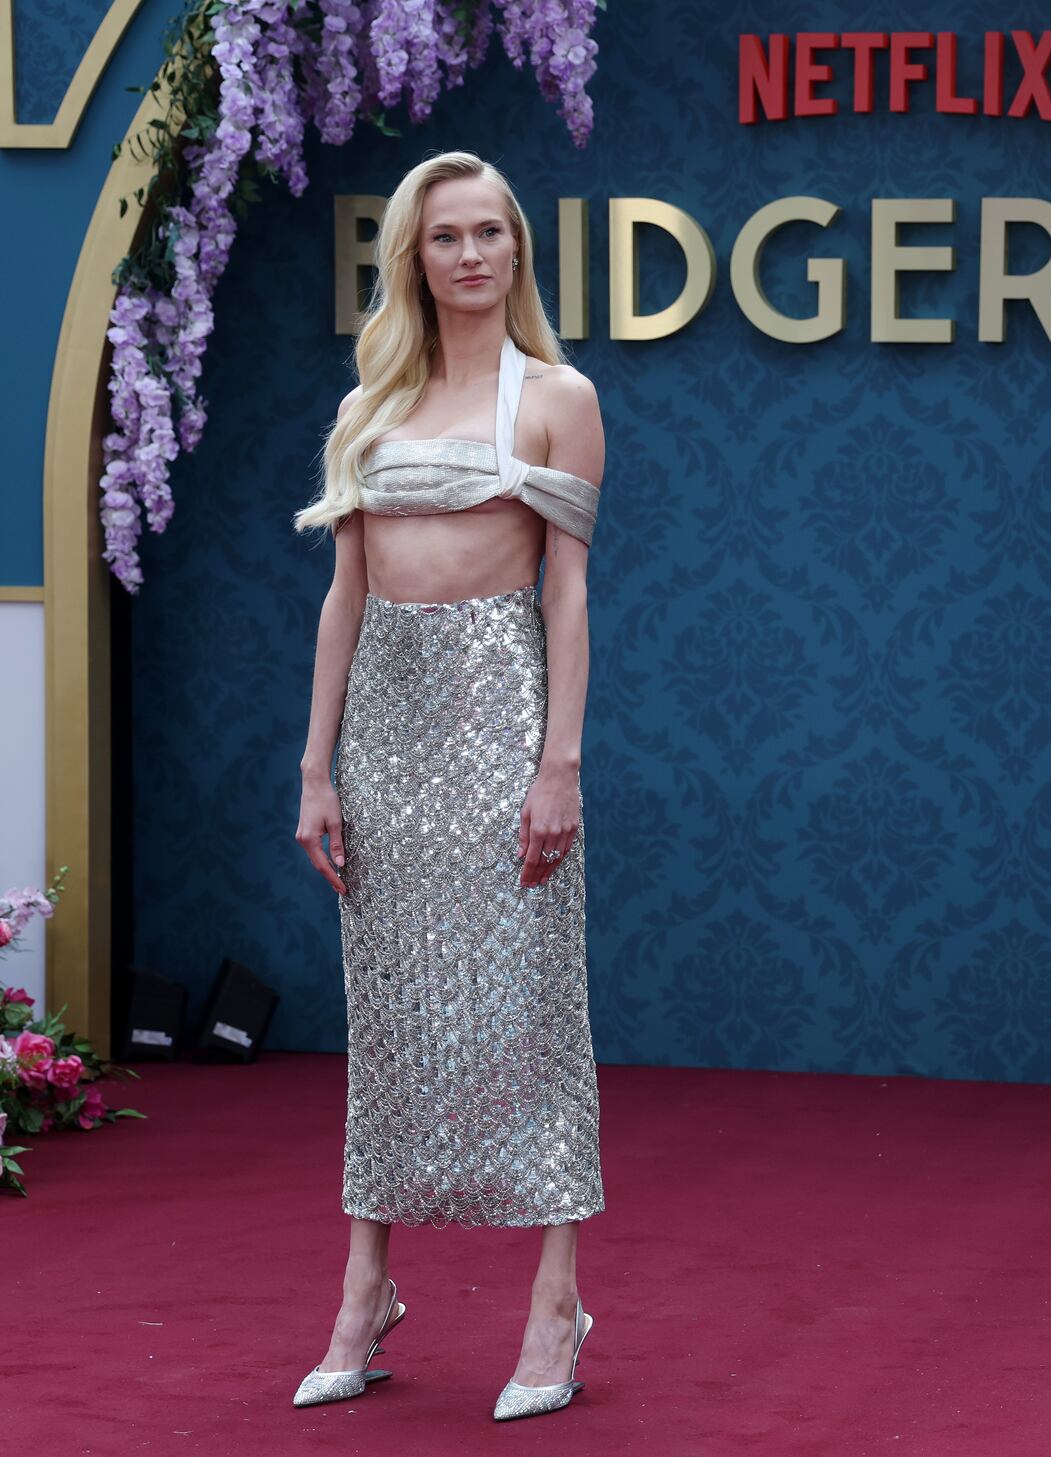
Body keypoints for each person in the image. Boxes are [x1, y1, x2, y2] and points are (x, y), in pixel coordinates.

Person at [290, 150, 606, 1422]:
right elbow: (343, 595)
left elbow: (571, 593)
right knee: (391, 1014)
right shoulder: (376, 393)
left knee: (530, 1011)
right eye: (446, 237)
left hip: (499, 720)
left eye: (492, 234)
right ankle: (366, 1291)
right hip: (384, 734)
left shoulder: (560, 396)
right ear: (412, 258)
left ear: (518, 250)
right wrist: (316, 765)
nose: (472, 255)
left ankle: (558, 1301)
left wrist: (559, 763)